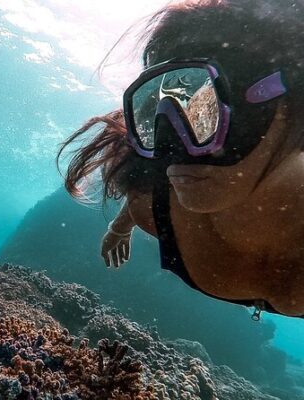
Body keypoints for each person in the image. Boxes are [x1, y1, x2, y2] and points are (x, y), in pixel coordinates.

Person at [57, 0, 304, 319]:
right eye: (152, 113)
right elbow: (141, 191)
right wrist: (120, 229)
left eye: (206, 111)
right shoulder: (153, 205)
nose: (167, 148)